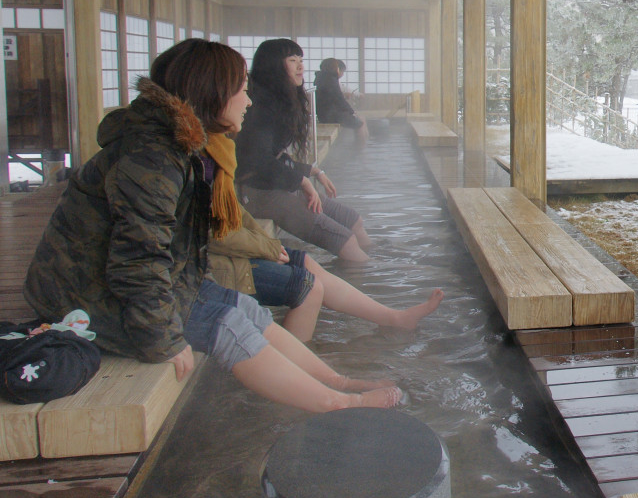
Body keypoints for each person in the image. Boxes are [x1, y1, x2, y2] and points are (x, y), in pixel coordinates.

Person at [23, 39, 400, 411]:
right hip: (84, 297)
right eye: (240, 91)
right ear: (212, 93)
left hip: (128, 281)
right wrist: (164, 340)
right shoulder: (152, 158)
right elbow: (137, 260)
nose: (248, 101)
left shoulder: (181, 145)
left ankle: (336, 381)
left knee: (245, 310)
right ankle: (337, 403)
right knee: (228, 324)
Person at [208, 206, 443, 343]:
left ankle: (394, 318)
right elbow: (212, 233)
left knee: (306, 262)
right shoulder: (203, 158)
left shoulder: (219, 150)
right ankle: (294, 373)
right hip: (211, 264)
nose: (245, 116)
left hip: (234, 250)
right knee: (307, 287)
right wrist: (267, 248)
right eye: (241, 114)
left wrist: (267, 244)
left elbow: (238, 217)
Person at [235, 39, 372, 263]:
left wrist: (313, 172)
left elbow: (273, 156)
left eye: (301, 60)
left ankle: (377, 262)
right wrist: (302, 180)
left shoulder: (280, 99)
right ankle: (370, 278)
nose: (301, 66)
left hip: (274, 182)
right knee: (345, 242)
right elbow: (257, 161)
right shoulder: (259, 104)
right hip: (256, 191)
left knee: (353, 221)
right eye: (292, 60)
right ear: (274, 66)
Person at [314, 58, 368, 144]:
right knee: (360, 124)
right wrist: (351, 112)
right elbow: (340, 100)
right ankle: (361, 149)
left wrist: (350, 111)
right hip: (332, 116)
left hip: (325, 114)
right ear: (334, 68)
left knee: (361, 119)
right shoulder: (330, 80)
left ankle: (363, 144)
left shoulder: (321, 78)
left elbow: (335, 98)